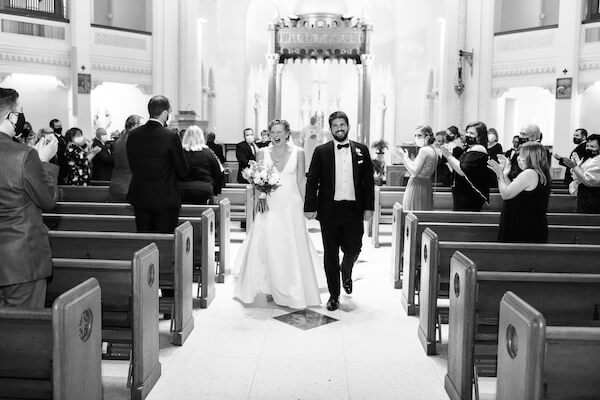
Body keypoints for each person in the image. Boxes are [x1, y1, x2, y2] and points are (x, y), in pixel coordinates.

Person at [234, 119, 321, 309]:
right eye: (272, 132)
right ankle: (270, 286)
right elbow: (256, 180)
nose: (275, 135)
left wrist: (309, 205)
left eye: (279, 131)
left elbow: (301, 181)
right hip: (270, 205)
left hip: (291, 205)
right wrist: (260, 194)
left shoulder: (298, 153)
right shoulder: (261, 153)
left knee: (290, 245)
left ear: (287, 133)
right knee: (269, 244)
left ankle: (291, 287)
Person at [304, 111, 375, 311]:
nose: (339, 129)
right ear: (330, 128)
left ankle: (347, 269)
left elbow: (368, 181)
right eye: (335, 125)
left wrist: (369, 207)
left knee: (354, 248)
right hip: (329, 210)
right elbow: (312, 180)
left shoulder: (361, 150)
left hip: (354, 209)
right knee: (330, 253)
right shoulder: (321, 151)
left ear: (348, 126)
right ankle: (334, 295)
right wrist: (310, 206)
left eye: (342, 124)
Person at [0, 88, 59, 307]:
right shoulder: (23, 155)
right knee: (24, 334)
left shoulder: (23, 154)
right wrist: (43, 162)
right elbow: (48, 200)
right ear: (12, 117)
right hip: (21, 259)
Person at [127, 95, 189, 233]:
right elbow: (182, 170)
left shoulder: (133, 135)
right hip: (165, 198)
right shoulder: (171, 136)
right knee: (164, 242)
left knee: (145, 243)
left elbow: (132, 164)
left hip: (140, 196)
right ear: (165, 113)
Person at [488, 142, 550, 243]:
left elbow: (506, 194)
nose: (518, 159)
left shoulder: (529, 173)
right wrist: (505, 174)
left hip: (523, 226)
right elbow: (512, 191)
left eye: (521, 156)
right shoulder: (540, 173)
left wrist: (499, 175)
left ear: (531, 157)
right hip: (531, 224)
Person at [441, 121, 491, 211]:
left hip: (469, 195)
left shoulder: (478, 149)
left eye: (471, 133)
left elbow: (462, 170)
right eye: (467, 132)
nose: (468, 135)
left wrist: (448, 156)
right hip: (463, 193)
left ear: (480, 136)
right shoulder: (470, 149)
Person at [394, 125, 438, 210]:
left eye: (419, 135)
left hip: (417, 184)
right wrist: (406, 157)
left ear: (427, 137)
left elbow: (414, 172)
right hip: (426, 184)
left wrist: (403, 158)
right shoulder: (432, 150)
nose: (416, 138)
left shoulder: (424, 150)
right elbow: (415, 166)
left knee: (412, 213)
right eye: (415, 135)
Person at [179, 125, 223, 204]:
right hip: (204, 189)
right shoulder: (208, 153)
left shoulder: (180, 153)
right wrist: (215, 191)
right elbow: (217, 172)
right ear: (201, 137)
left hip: (182, 190)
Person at [560, 134, 600, 213]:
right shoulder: (590, 159)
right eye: (587, 146)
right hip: (585, 196)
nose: (588, 148)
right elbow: (580, 174)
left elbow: (590, 179)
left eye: (592, 146)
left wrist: (574, 166)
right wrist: (575, 166)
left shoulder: (598, 160)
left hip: (593, 197)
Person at [108, 114, 142, 202]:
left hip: (116, 185)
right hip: (129, 185)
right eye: (141, 125)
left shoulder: (118, 141)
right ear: (135, 126)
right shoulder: (134, 140)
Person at [49, 118, 68, 183]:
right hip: (56, 164)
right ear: (52, 127)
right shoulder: (51, 138)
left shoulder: (65, 138)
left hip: (65, 165)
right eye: (57, 126)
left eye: (60, 126)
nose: (60, 128)